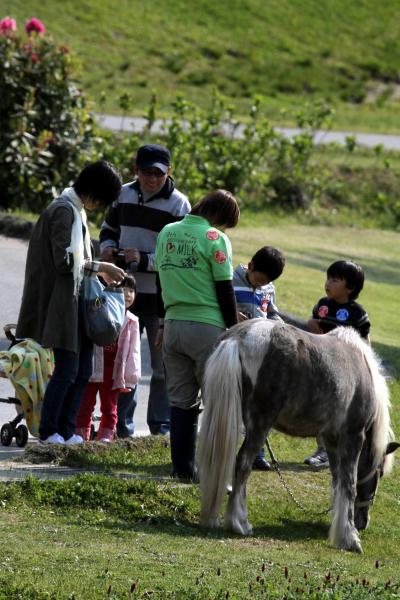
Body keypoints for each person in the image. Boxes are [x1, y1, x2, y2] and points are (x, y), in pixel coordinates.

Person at [16, 161, 125, 445]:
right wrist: (101, 267)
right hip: (62, 303)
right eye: (102, 199)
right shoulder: (63, 211)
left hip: (77, 301)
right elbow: (64, 261)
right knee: (67, 368)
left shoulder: (76, 211)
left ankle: (67, 430)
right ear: (94, 192)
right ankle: (49, 430)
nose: (100, 206)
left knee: (83, 371)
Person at [99, 144, 191, 436]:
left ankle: (160, 425)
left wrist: (145, 260)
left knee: (162, 366)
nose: (152, 179)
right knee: (125, 363)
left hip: (160, 298)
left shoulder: (179, 205)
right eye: (146, 172)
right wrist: (109, 250)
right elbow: (107, 229)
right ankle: (122, 426)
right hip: (123, 294)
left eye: (158, 174)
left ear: (169, 172)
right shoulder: (122, 195)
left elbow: (180, 254)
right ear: (135, 170)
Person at [155, 189, 240, 481]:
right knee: (219, 402)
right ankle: (214, 472)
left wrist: (163, 322)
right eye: (224, 224)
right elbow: (224, 288)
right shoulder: (215, 239)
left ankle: (182, 469)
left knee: (181, 402)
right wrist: (234, 328)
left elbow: (160, 280)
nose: (222, 230)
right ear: (218, 217)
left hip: (173, 325)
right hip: (207, 328)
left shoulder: (167, 232)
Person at [304, 259, 371, 467]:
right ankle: (322, 450)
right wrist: (311, 325)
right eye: (328, 278)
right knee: (321, 409)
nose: (328, 283)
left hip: (344, 371)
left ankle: (335, 449)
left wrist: (368, 365)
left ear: (350, 288)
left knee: (337, 411)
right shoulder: (322, 305)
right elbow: (314, 330)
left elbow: (364, 341)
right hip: (322, 365)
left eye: (335, 279)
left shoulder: (357, 313)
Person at [233, 246, 286, 470]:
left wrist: (279, 325)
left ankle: (256, 452)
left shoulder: (268, 288)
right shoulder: (230, 280)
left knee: (259, 403)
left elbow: (271, 312)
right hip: (235, 350)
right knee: (237, 402)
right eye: (258, 279)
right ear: (250, 266)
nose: (260, 285)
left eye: (265, 283)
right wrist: (231, 312)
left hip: (260, 352)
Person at [75, 275, 140, 442]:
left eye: (131, 290)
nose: (127, 294)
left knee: (110, 406)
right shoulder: (100, 312)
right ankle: (81, 434)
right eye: (123, 290)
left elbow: (134, 352)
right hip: (93, 366)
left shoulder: (132, 321)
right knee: (85, 403)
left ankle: (106, 434)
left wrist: (130, 377)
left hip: (113, 371)